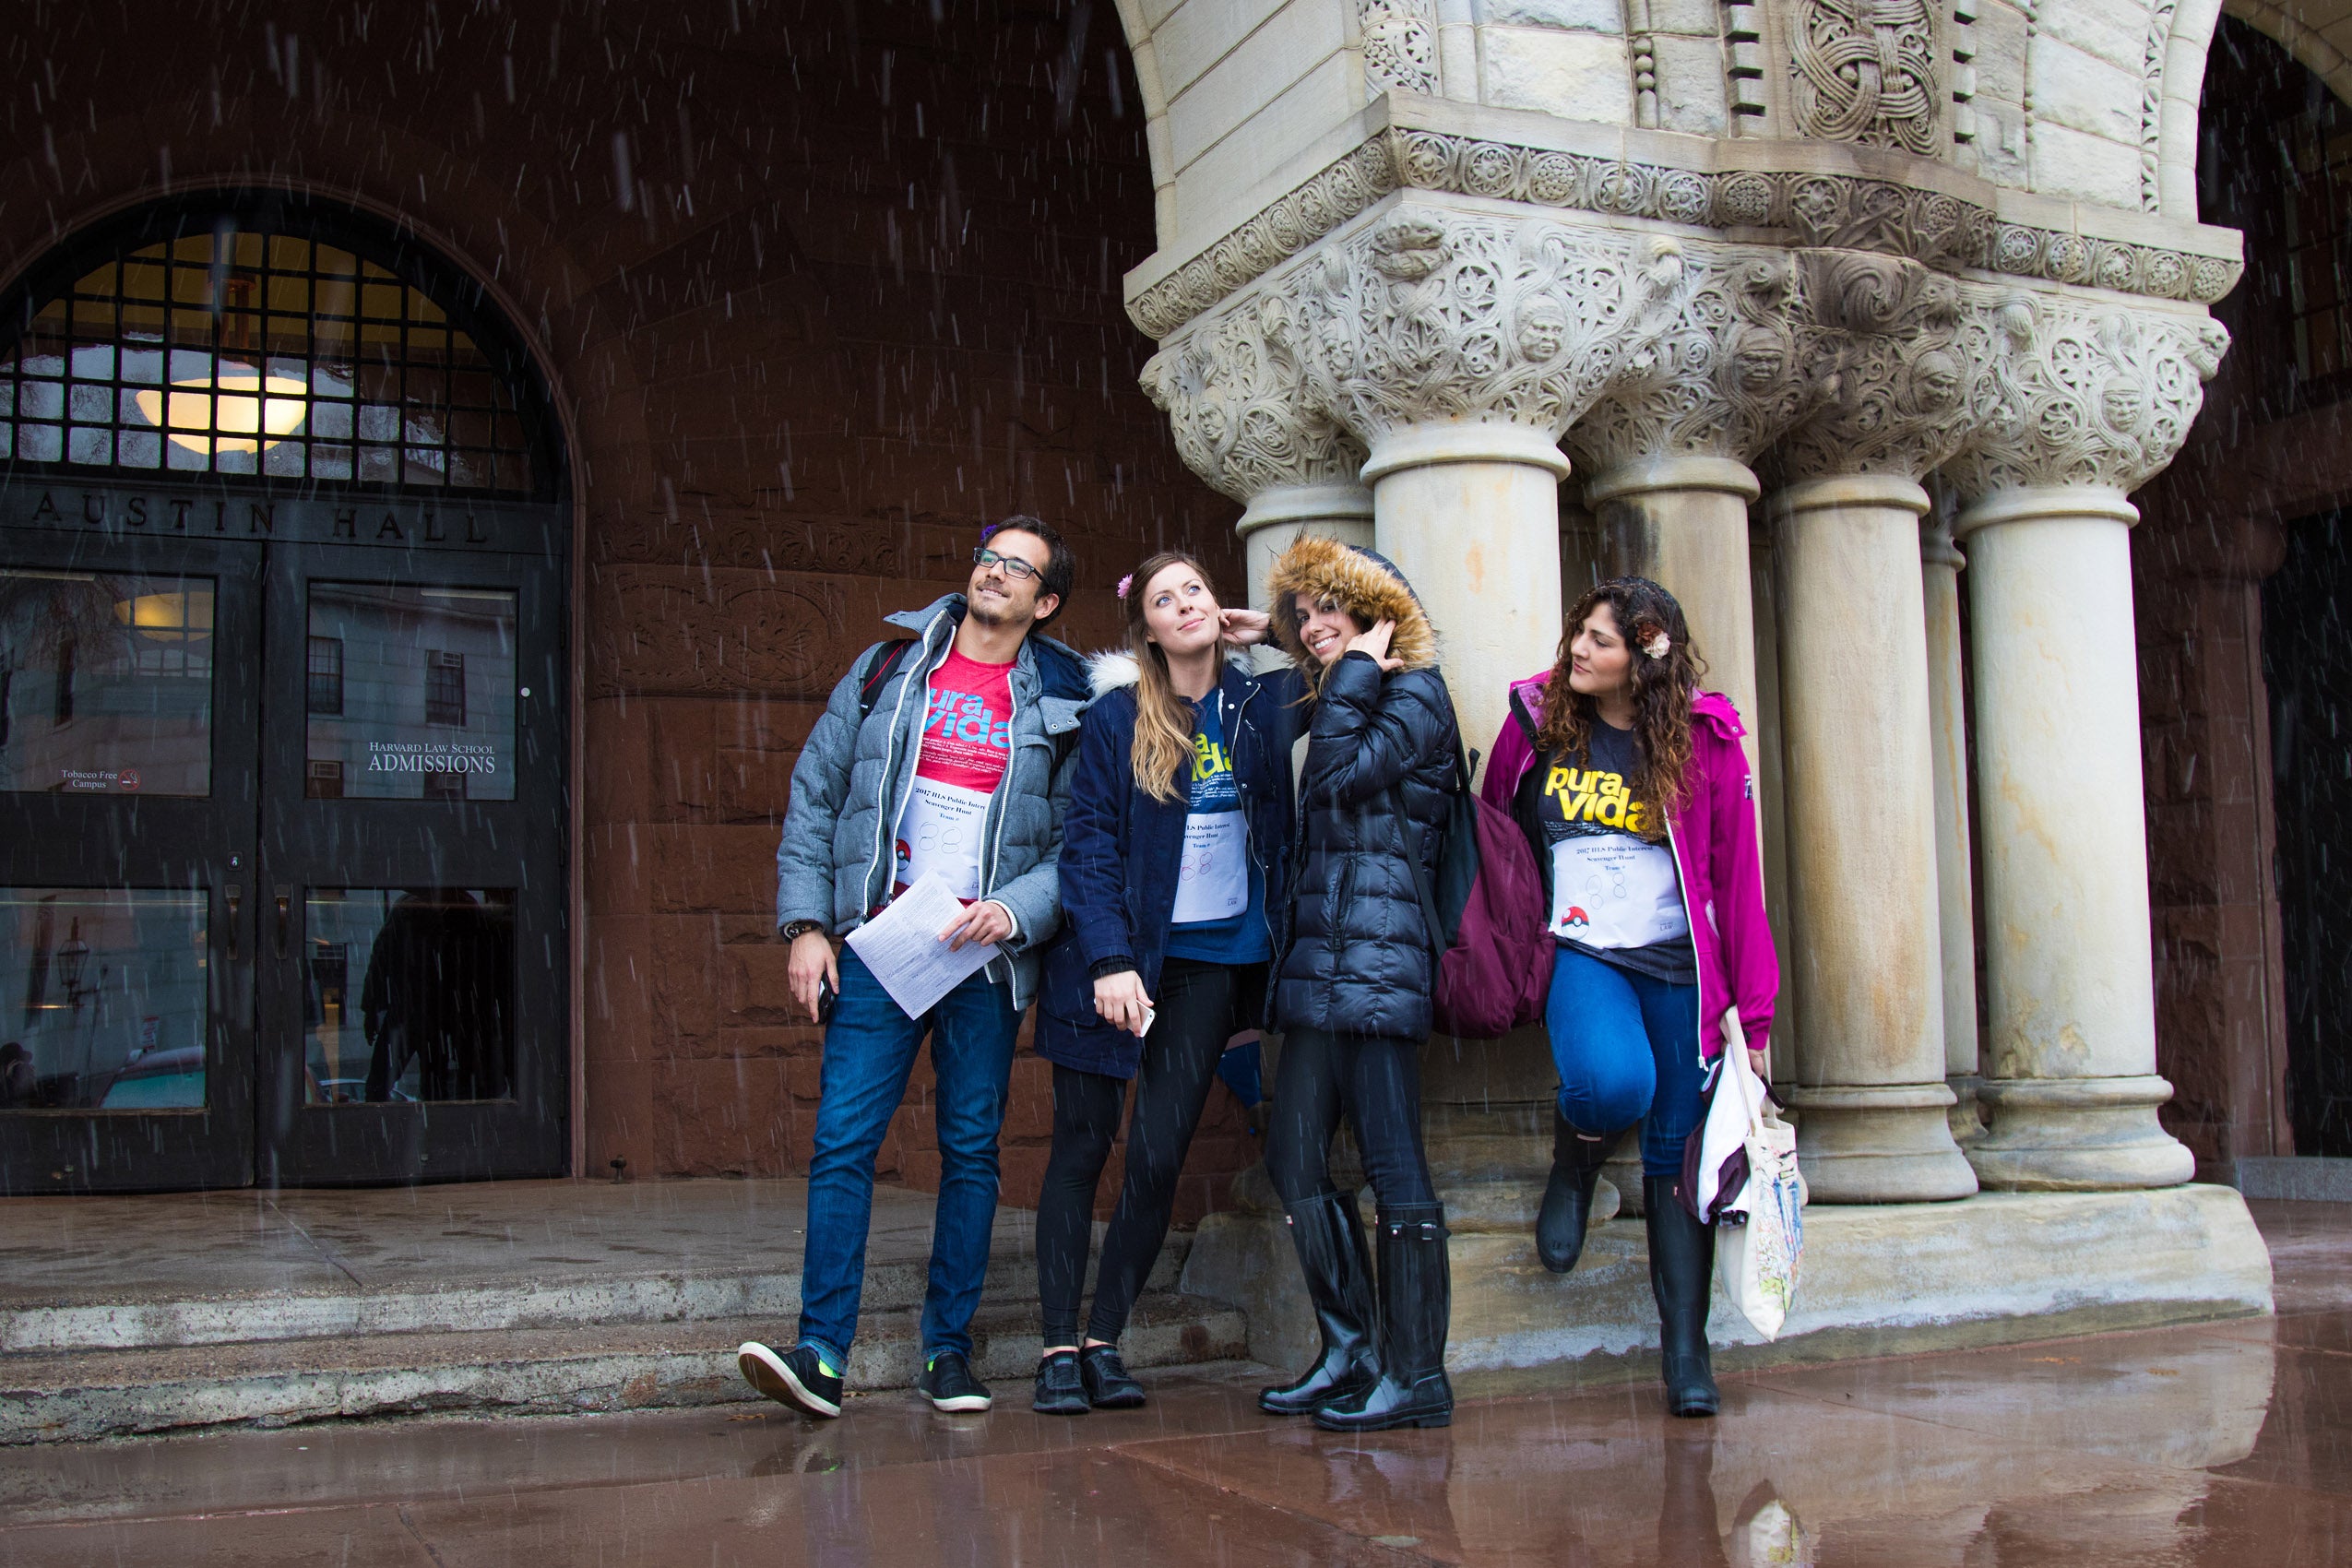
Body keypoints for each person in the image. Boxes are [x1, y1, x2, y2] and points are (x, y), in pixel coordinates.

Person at [740, 517, 1088, 1420]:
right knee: (842, 1143)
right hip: (879, 944)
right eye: (990, 554)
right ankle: (820, 1355)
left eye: (1019, 567)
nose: (996, 571)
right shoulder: (887, 667)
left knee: (970, 1151)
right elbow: (817, 795)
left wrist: (1017, 910)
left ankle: (947, 1350)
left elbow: (1081, 839)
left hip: (981, 961)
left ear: (1045, 601)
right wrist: (808, 924)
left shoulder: (1064, 695)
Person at [1479, 576, 1778, 1419]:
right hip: (1582, 952)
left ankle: (1686, 1352)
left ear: (1644, 660)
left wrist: (1752, 1015)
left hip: (1683, 970)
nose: (1579, 648)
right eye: (1579, 631)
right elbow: (1496, 836)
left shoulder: (1708, 743)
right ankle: (1574, 1163)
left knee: (1677, 1163)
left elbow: (1739, 881)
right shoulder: (1536, 726)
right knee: (1615, 1084)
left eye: (1601, 641)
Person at [1028, 552, 1294, 1415]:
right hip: (1115, 965)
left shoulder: (1260, 703)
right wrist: (1108, 960)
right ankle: (1056, 1347)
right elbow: (1090, 845)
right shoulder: (1116, 717)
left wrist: (1275, 634)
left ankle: (1105, 1340)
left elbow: (1378, 659)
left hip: (1213, 964)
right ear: (1143, 627)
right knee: (1081, 1148)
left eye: (1198, 592)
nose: (1186, 606)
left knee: (1157, 1155)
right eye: (1164, 599)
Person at [1256, 534, 1461, 1433]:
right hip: (1320, 964)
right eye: (1302, 615)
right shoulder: (1343, 693)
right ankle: (1352, 1348)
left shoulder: (1415, 695)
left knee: (1392, 1165)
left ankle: (1418, 1372)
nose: (1312, 627)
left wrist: (1353, 675)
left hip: (1380, 961)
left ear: (1381, 616)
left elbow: (1337, 778)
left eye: (1329, 609)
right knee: (1294, 1156)